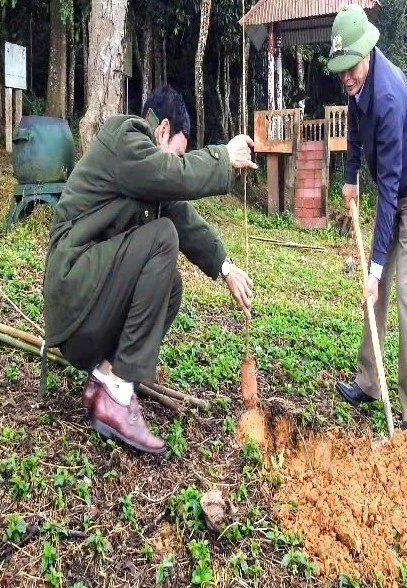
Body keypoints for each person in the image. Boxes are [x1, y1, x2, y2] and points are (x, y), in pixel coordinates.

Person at [42, 85, 257, 455]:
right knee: (161, 237)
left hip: (88, 310)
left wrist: (225, 268)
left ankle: (105, 379)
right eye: (177, 153)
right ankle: (119, 392)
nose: (175, 163)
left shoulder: (145, 173)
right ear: (162, 130)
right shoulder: (123, 137)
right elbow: (170, 177)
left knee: (170, 284)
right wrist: (223, 156)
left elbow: (185, 220)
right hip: (72, 292)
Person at [328, 5, 407, 429]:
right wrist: (351, 175)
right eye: (340, 70)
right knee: (375, 288)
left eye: (351, 68)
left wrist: (375, 267)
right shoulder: (353, 81)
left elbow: (391, 190)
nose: (346, 77)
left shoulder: (389, 98)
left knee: (404, 291)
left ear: (368, 53)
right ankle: (369, 382)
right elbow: (355, 129)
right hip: (392, 188)